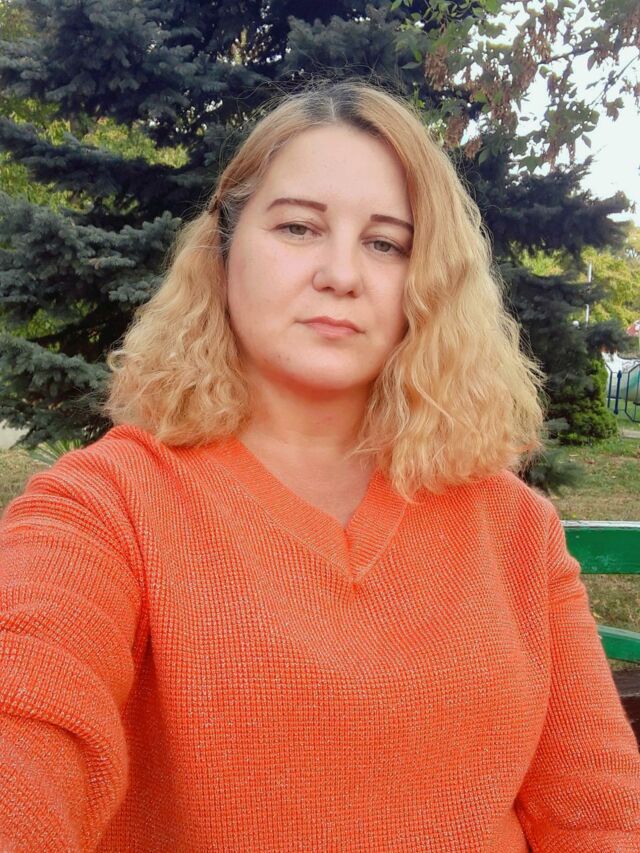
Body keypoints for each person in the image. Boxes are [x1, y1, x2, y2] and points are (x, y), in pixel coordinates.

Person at [1, 77, 639, 852]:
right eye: (299, 227)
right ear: (224, 249)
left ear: (428, 280)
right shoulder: (107, 507)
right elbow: (27, 707)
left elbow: (601, 814)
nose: (341, 273)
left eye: (386, 243)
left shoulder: (516, 529)